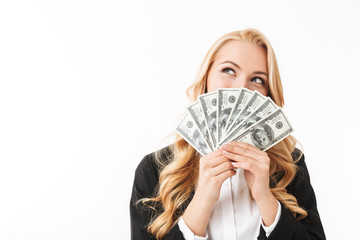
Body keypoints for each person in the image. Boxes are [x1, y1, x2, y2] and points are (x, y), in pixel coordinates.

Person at [130, 29, 326, 240]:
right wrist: (202, 200)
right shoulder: (153, 170)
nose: (241, 88)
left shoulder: (290, 166)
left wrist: (266, 199)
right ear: (206, 78)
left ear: (268, 95)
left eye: (258, 80)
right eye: (229, 70)